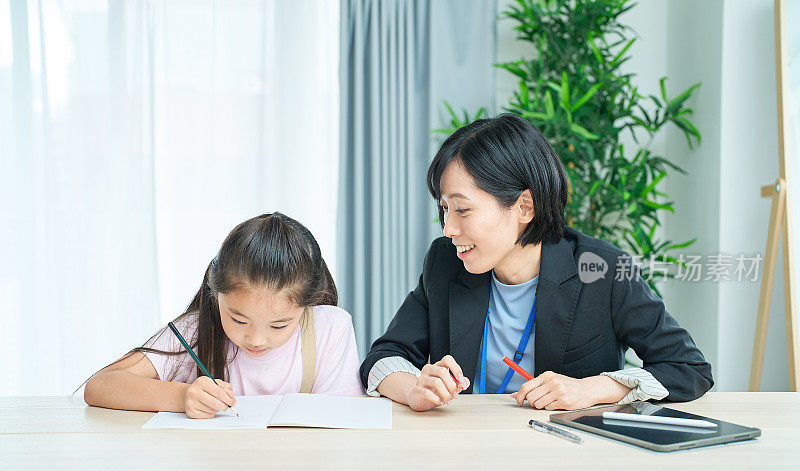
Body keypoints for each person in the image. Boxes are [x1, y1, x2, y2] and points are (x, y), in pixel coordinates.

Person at [360, 113, 713, 412]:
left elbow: (688, 369)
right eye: (444, 210)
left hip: (566, 458)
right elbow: (384, 356)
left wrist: (592, 389)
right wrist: (414, 388)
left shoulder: (600, 270)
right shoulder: (445, 263)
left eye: (463, 209)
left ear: (524, 207)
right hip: (465, 451)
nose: (449, 229)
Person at [85, 213, 363, 418]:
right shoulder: (195, 330)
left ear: (308, 305)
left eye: (279, 325)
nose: (256, 338)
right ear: (215, 294)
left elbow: (346, 418)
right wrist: (182, 396)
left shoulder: (330, 328)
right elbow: (100, 385)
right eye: (239, 320)